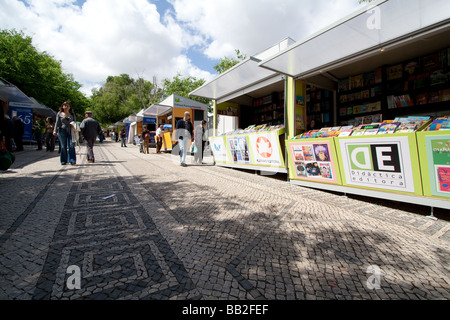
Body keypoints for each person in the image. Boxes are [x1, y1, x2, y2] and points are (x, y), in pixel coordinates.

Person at [53, 101, 77, 165]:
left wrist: (73, 125)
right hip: (62, 131)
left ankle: (72, 160)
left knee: (71, 145)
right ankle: (63, 160)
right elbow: (57, 122)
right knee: (63, 146)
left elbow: (75, 122)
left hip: (70, 131)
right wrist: (55, 130)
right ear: (62, 106)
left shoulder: (72, 114)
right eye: (64, 105)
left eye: (67, 105)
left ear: (69, 107)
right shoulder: (59, 114)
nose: (66, 106)